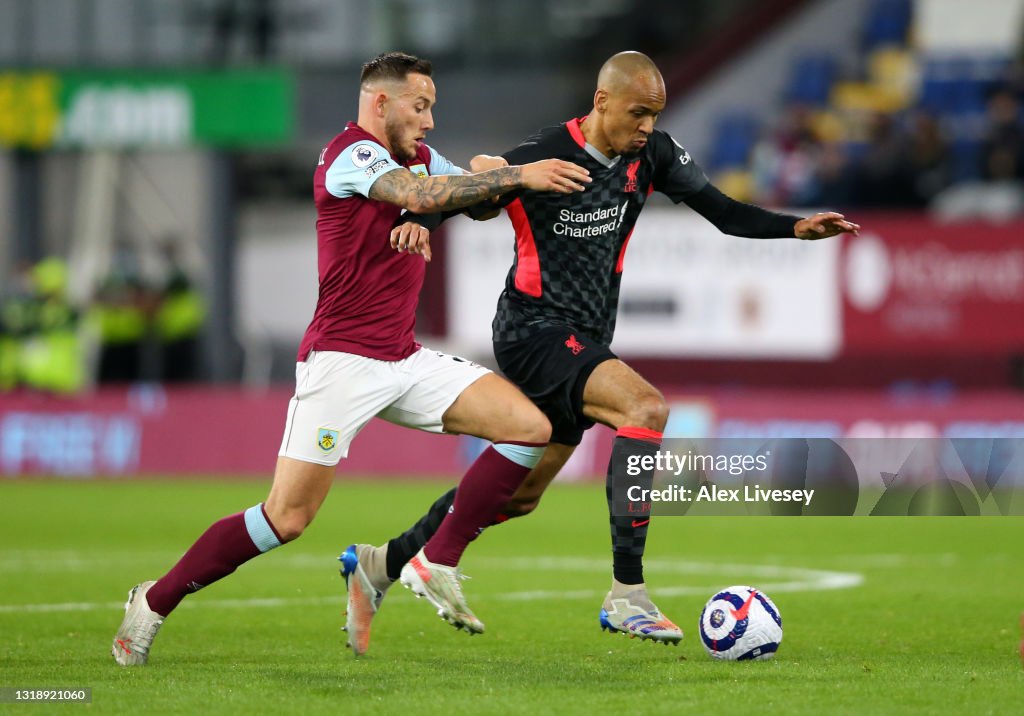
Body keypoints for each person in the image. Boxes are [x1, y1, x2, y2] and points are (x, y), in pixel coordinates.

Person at [341, 51, 859, 652]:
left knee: (521, 495)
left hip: (585, 337)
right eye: (638, 113)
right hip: (531, 328)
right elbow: (476, 193)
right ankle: (628, 595)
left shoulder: (652, 155)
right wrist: (419, 221)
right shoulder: (543, 153)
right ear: (602, 100)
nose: (646, 126)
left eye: (655, 115)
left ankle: (381, 564)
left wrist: (793, 228)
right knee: (645, 409)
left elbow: (722, 212)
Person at [111, 51, 591, 665]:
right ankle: (153, 601)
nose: (430, 121)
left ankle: (435, 558)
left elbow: (468, 201)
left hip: (404, 358)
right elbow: (420, 193)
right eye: (421, 106)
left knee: (530, 429)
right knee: (286, 518)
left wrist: (487, 177)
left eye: (433, 109)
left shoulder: (418, 157)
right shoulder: (349, 154)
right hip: (340, 362)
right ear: (380, 102)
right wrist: (511, 176)